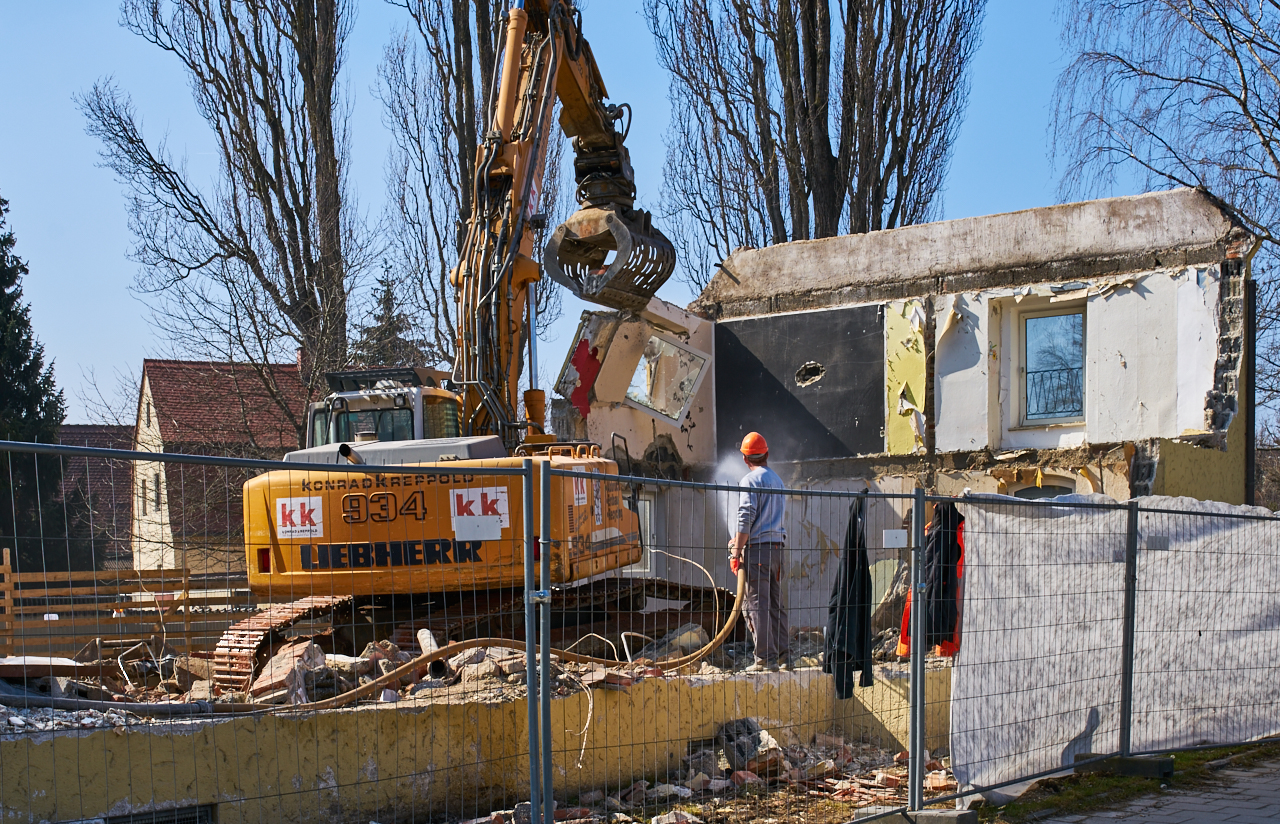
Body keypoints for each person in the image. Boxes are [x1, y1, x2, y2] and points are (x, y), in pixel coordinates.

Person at [728, 432, 789, 671]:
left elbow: (746, 517)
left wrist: (736, 550)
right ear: (767, 454)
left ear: (745, 459)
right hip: (777, 550)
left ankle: (764, 659)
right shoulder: (778, 480)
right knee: (775, 604)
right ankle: (784, 657)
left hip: (758, 551)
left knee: (756, 604)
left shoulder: (749, 481)